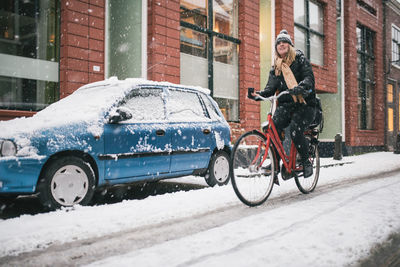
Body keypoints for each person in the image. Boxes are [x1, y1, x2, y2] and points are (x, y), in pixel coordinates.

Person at [251, 29, 317, 178]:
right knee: (273, 128)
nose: (281, 45)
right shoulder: (276, 67)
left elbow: (309, 78)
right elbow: (270, 89)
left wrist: (302, 86)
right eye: (278, 43)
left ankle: (306, 162)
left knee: (295, 129)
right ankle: (275, 163)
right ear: (276, 48)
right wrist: (258, 95)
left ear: (290, 45)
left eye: (284, 42)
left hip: (305, 104)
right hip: (286, 105)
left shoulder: (300, 59)